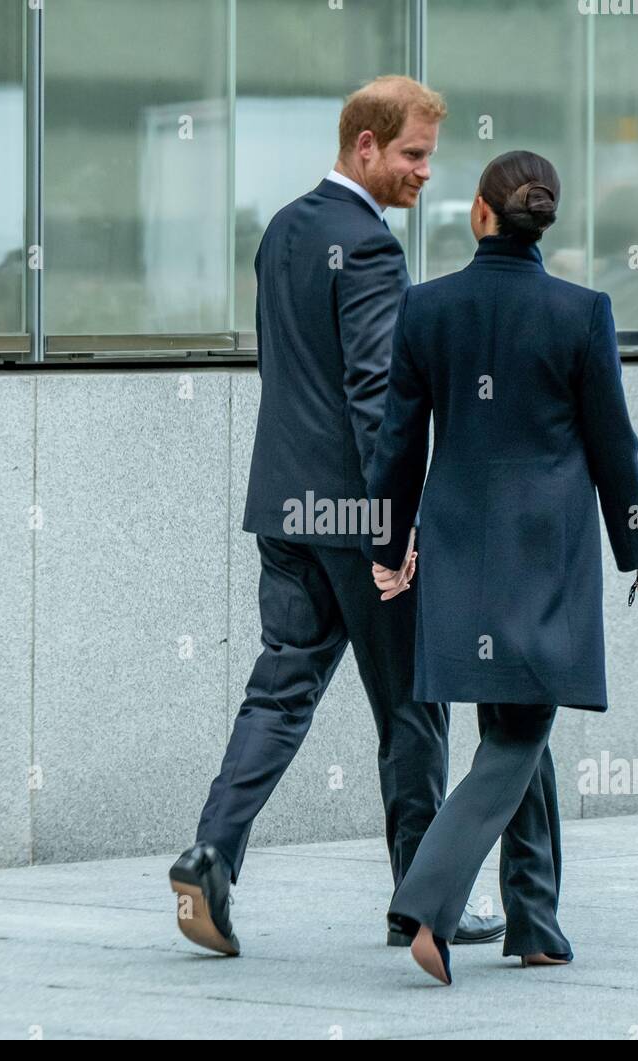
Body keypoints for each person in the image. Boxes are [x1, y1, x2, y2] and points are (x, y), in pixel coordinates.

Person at [169, 76, 507, 957]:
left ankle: (210, 851)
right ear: (366, 146)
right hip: (356, 519)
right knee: (412, 710)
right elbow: (373, 398)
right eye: (413, 154)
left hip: (285, 505)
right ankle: (421, 903)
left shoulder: (284, 229)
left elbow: (284, 371)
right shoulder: (367, 248)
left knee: (280, 690)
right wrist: (395, 533)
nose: (426, 173)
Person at [364, 149, 638, 985]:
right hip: (548, 553)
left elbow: (398, 443)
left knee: (511, 724)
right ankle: (430, 900)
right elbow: (614, 445)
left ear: (480, 213)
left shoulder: (428, 308)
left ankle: (535, 922)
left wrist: (388, 548)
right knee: (525, 728)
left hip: (459, 542)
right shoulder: (582, 312)